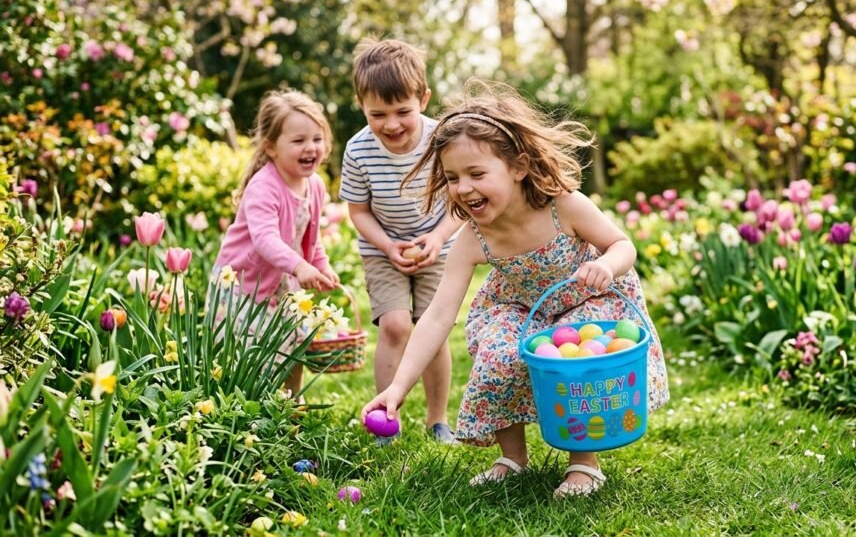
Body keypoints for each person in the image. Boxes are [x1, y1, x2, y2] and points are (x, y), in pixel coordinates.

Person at [361, 79, 670, 498]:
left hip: (591, 297)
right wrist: (397, 388)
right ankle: (513, 458)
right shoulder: (473, 237)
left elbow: (623, 244)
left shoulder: (564, 205)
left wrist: (605, 264)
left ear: (518, 167)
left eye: (476, 174)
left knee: (575, 363)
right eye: (452, 177)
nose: (464, 187)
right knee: (498, 353)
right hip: (523, 307)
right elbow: (437, 314)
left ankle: (584, 465)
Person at [340, 38, 462, 444]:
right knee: (394, 326)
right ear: (361, 105)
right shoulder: (358, 150)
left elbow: (459, 202)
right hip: (382, 249)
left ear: (423, 99)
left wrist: (438, 236)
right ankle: (386, 420)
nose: (391, 124)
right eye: (378, 114)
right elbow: (358, 211)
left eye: (402, 112)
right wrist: (388, 246)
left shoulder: (442, 141)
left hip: (437, 246)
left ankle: (437, 419)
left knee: (432, 329)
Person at [212, 89, 339, 398]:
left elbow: (310, 238)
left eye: (317, 139)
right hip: (243, 288)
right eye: (298, 141)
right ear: (271, 147)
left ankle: (287, 410)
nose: (311, 148)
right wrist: (300, 266)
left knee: (294, 347)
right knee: (252, 356)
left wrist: (320, 265)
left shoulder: (316, 186)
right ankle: (249, 416)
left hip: (284, 285)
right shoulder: (265, 187)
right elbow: (265, 238)